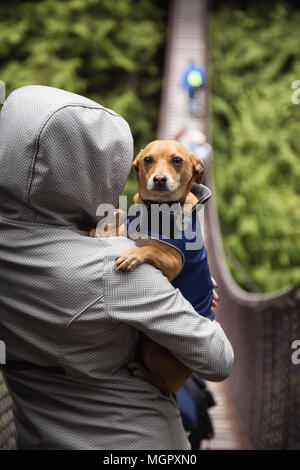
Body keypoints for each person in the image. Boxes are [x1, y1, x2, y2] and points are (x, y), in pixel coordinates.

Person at [0, 85, 233, 450]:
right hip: (136, 439)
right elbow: (218, 360)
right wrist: (178, 294)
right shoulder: (115, 268)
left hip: (36, 435)